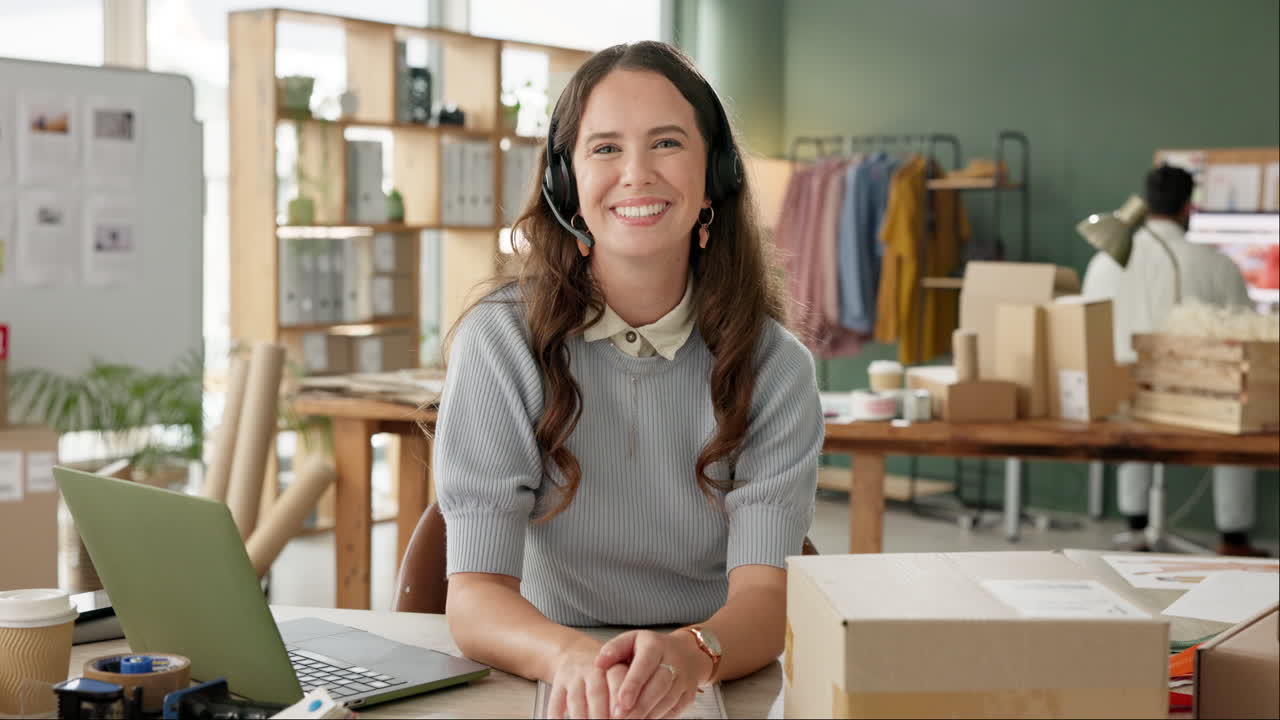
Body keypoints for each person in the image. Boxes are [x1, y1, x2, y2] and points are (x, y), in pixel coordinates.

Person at [433, 41, 822, 720]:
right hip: (544, 661)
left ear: (715, 178)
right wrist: (569, 657)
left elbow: (765, 596)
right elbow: (474, 595)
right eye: (605, 148)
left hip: (708, 668)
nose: (636, 174)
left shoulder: (776, 367)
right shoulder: (499, 343)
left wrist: (691, 653)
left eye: (666, 142)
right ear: (567, 186)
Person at [1083, 164, 1263, 557]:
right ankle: (1233, 538)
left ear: (1146, 205)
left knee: (1133, 402)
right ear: (1188, 209)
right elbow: (1246, 331)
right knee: (1239, 409)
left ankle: (1136, 524)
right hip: (1192, 398)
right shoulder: (1214, 264)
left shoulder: (1104, 260)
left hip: (1118, 394)